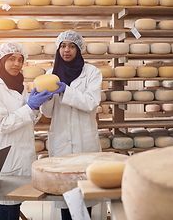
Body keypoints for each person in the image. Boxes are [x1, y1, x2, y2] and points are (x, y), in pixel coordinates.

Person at [0, 42, 58, 220]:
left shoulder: (19, 86)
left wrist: (34, 108)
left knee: (15, 203)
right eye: (11, 59)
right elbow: (2, 124)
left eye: (20, 60)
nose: (17, 64)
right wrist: (28, 107)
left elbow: (28, 120)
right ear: (1, 61)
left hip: (22, 154)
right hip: (6, 157)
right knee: (3, 205)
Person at [40, 30, 103, 220]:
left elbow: (91, 103)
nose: (66, 50)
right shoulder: (50, 74)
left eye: (71, 46)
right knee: (64, 195)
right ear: (58, 49)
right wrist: (46, 99)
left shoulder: (92, 72)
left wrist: (66, 91)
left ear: (79, 49)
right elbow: (48, 113)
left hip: (84, 140)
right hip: (61, 142)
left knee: (85, 195)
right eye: (63, 46)